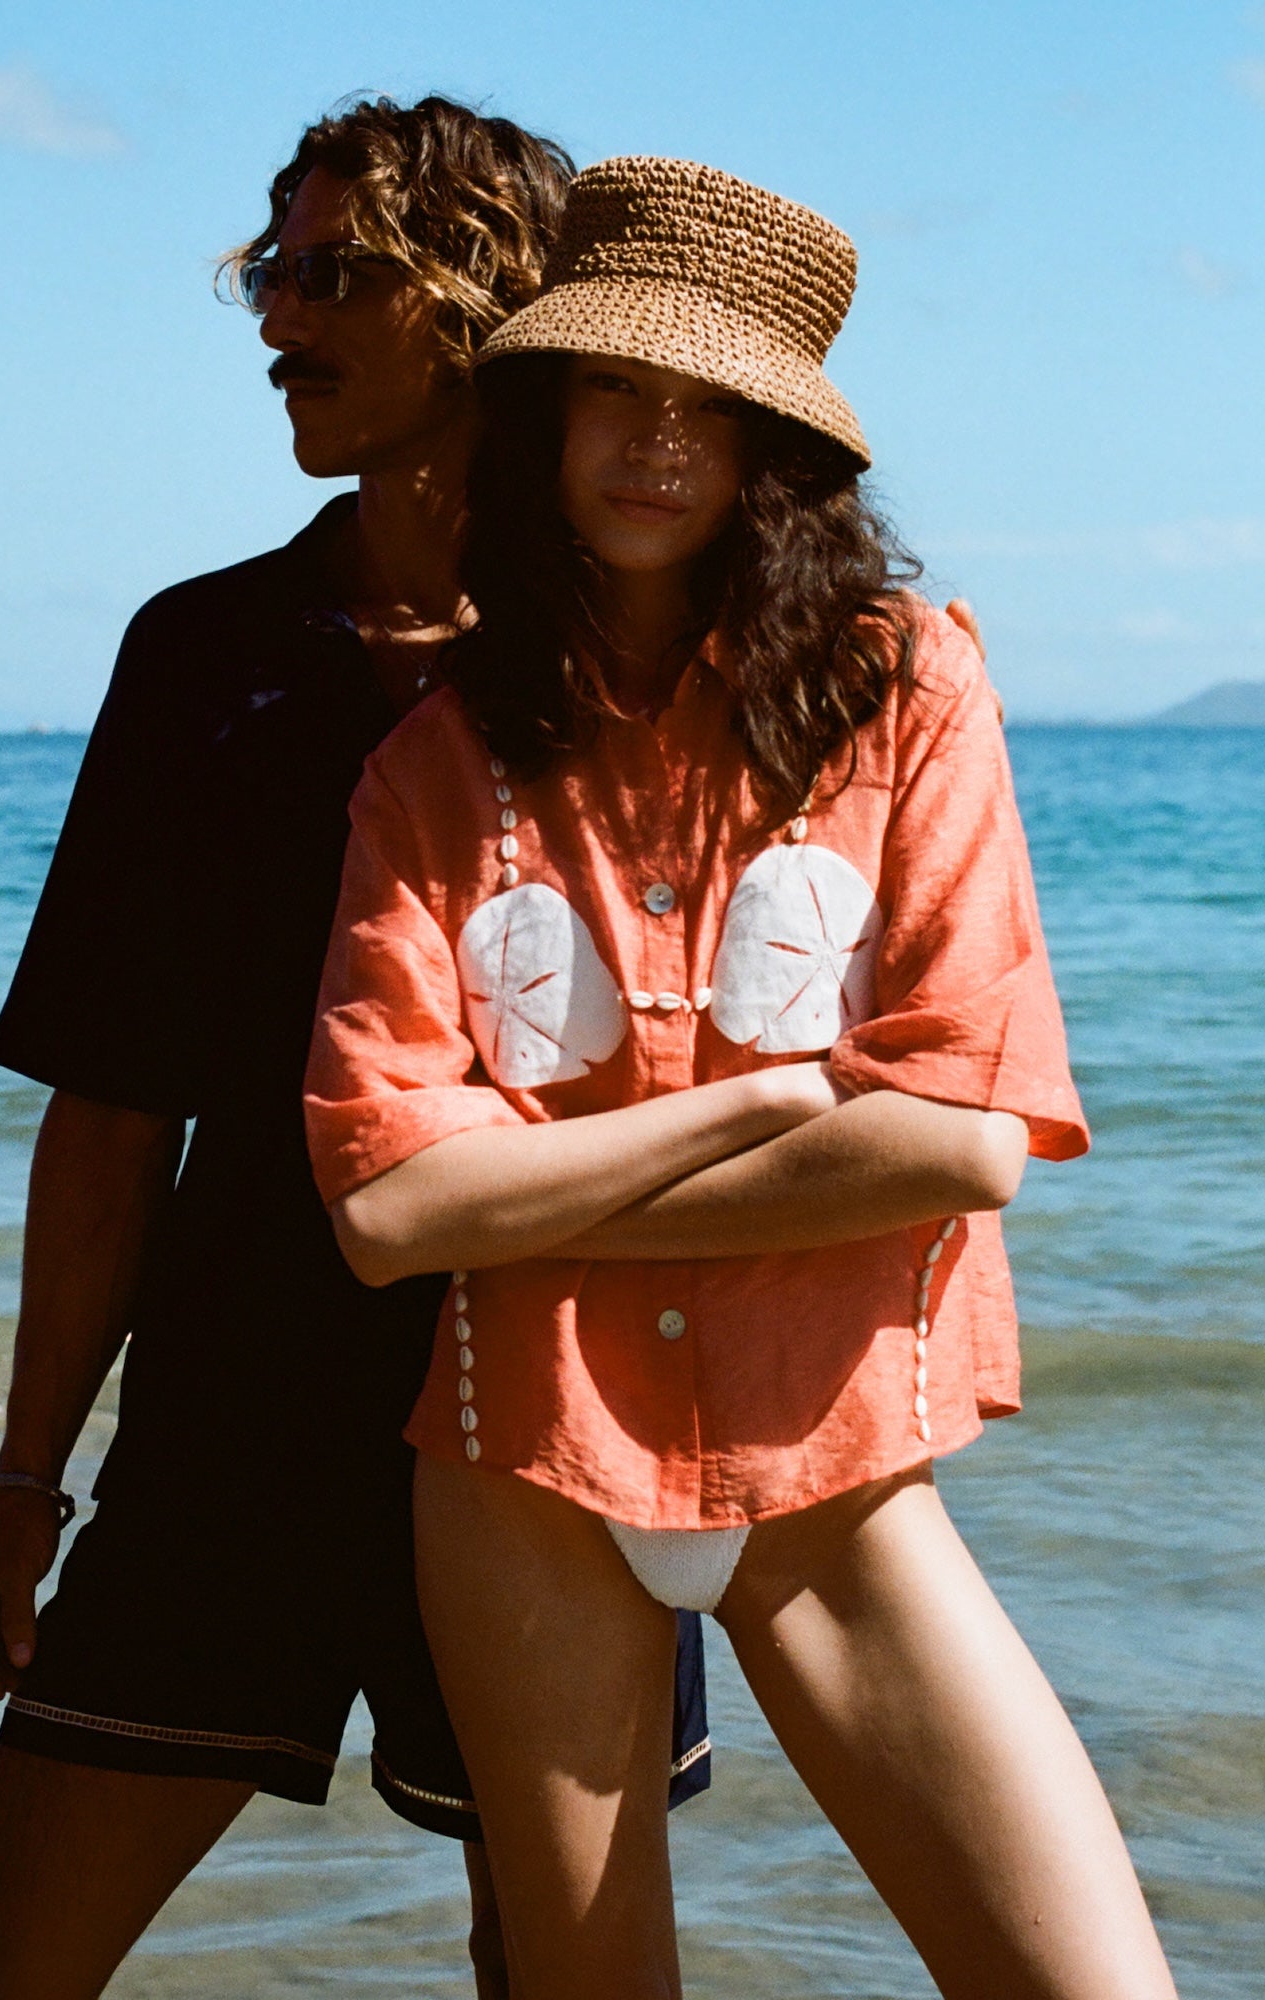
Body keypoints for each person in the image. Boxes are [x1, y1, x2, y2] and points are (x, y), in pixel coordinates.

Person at [304, 158, 1181, 1998]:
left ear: (781, 450)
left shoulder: (906, 689)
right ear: (545, 412)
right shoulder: (438, 766)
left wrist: (541, 1181)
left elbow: (962, 1141)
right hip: (518, 1464)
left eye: (714, 407)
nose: (655, 443)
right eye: (619, 388)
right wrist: (759, 1109)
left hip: (837, 1466)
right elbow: (386, 1212)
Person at [0, 100, 720, 2000]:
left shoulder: (637, 664)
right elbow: (112, 1113)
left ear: (491, 307)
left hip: (562, 1424)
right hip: (233, 1420)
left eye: (338, 272)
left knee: (560, 1969)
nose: (280, 313)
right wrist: (27, 1475)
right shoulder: (205, 656)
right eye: (270, 269)